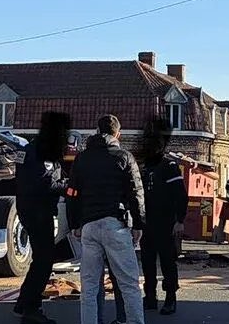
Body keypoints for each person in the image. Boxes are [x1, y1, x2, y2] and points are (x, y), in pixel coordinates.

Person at [67, 114, 146, 324]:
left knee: (90, 287)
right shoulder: (124, 157)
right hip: (115, 225)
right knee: (129, 284)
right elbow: (136, 193)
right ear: (117, 134)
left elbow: (72, 193)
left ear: (96, 131)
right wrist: (138, 224)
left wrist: (75, 223)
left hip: (89, 226)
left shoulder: (82, 158)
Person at [14, 111, 71, 324]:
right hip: (39, 212)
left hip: (28, 210)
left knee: (40, 259)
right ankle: (31, 308)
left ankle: (24, 302)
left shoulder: (29, 148)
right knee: (44, 261)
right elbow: (46, 184)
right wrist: (70, 187)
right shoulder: (42, 152)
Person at [137, 117, 187, 315]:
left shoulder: (169, 167)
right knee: (148, 262)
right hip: (146, 222)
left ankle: (170, 298)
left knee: (167, 262)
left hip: (166, 222)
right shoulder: (142, 168)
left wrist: (180, 220)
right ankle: (150, 297)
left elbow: (180, 195)